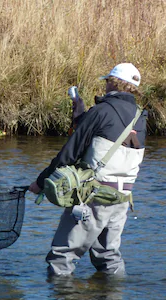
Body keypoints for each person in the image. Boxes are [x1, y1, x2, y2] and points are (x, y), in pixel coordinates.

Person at [29, 63, 147, 276]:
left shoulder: (101, 111)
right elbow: (109, 134)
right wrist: (80, 112)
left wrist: (40, 183)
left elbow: (69, 154)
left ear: (113, 82)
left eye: (107, 81)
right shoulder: (141, 117)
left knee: (61, 259)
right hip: (122, 198)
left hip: (93, 198)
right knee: (109, 258)